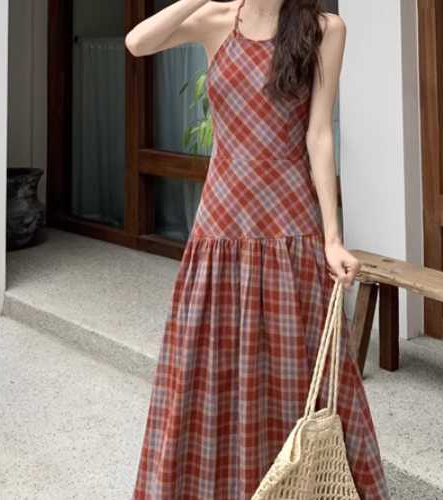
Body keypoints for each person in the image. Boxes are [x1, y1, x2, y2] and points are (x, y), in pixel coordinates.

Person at [126, 1, 390, 498]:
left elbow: (318, 133)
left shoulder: (324, 29)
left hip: (290, 226)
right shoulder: (217, 20)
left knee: (297, 369)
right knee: (209, 369)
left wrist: (333, 238)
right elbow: (138, 43)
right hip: (221, 225)